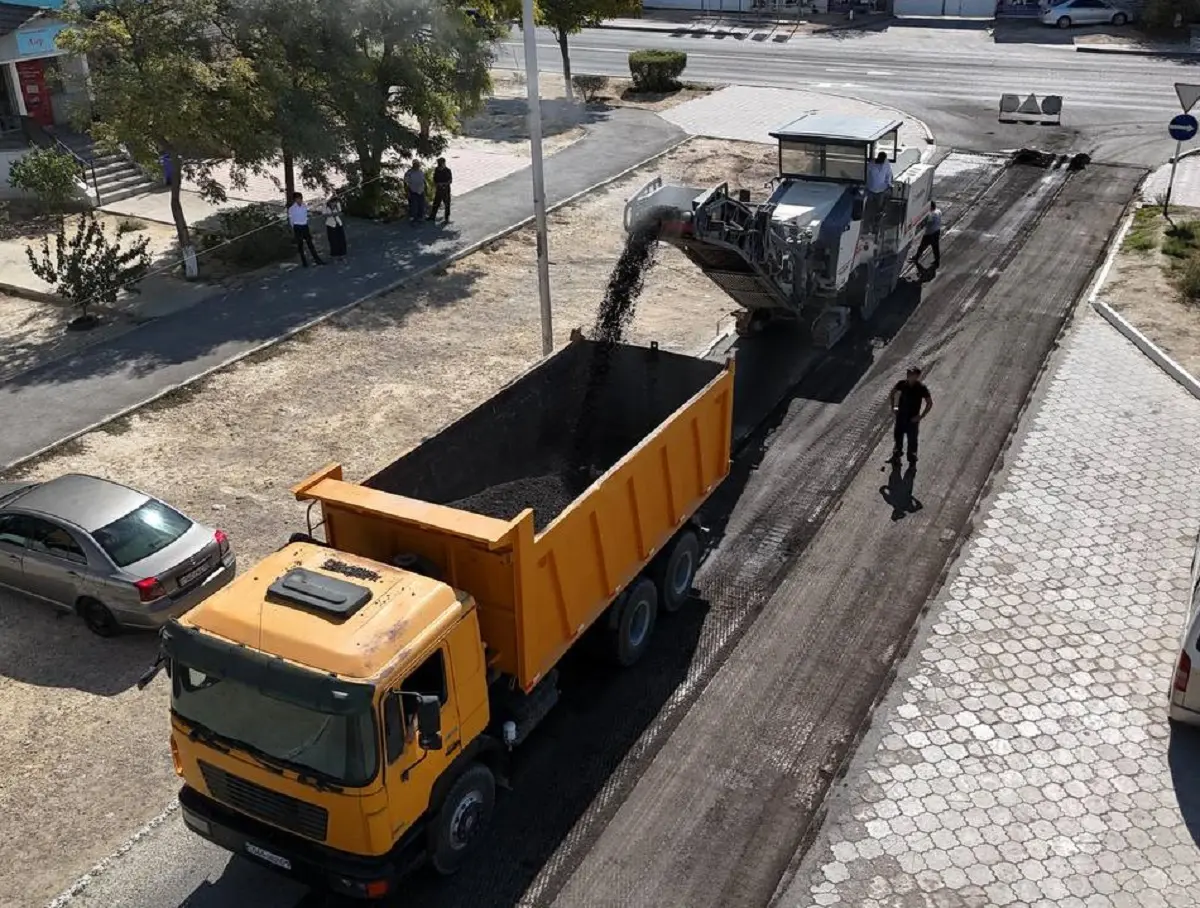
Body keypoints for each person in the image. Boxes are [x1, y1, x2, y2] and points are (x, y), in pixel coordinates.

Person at [889, 366, 933, 466]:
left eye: (911, 373)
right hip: (901, 417)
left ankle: (912, 461)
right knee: (898, 437)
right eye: (908, 373)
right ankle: (896, 457)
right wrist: (894, 407)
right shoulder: (901, 384)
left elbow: (929, 403)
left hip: (912, 419)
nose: (908, 375)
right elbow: (892, 394)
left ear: (917, 376)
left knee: (912, 440)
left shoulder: (921, 388)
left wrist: (920, 416)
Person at [287, 192, 323, 267]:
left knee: (310, 244)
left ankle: (317, 260)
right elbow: (291, 220)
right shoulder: (292, 209)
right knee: (300, 245)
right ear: (295, 199)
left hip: (305, 226)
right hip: (297, 227)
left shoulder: (304, 206)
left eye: (300, 198)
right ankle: (304, 262)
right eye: (298, 198)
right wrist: (293, 228)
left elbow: (306, 215)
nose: (300, 200)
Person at [864, 150, 894, 226]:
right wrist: (865, 186)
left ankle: (877, 222)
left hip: (881, 190)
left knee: (879, 207)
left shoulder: (886, 164)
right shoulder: (871, 165)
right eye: (881, 160)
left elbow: (889, 174)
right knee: (869, 206)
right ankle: (868, 221)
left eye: (883, 160)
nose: (882, 161)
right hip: (871, 189)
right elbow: (866, 175)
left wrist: (889, 185)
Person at [914, 200, 942, 269]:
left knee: (922, 246)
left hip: (929, 233)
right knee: (935, 247)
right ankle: (937, 261)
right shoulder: (939, 211)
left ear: (930, 207)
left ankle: (916, 258)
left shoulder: (931, 215)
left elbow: (924, 223)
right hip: (937, 231)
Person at [428, 157, 453, 224]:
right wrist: (436, 184)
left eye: (441, 163)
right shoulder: (437, 170)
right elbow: (434, 178)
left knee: (447, 204)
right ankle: (432, 216)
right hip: (438, 190)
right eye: (439, 163)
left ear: (444, 163)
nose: (440, 165)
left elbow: (450, 180)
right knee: (436, 203)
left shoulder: (448, 170)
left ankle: (447, 218)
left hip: (446, 190)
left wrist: (443, 184)